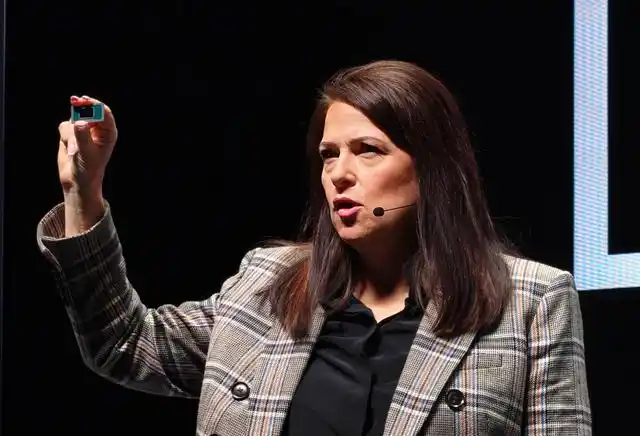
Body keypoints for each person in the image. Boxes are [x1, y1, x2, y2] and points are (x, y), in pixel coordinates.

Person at [37, 60, 592, 436]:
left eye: (368, 150)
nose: (339, 175)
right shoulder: (268, 284)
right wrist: (83, 192)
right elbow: (125, 345)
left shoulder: (532, 302)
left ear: (431, 169)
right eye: (329, 155)